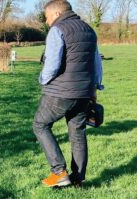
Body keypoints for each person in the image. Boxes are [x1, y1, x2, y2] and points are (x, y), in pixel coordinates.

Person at [33, 0, 104, 187]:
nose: (47, 22)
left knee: (40, 125)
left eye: (47, 17)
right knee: (77, 133)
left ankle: (59, 171)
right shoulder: (89, 30)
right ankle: (78, 180)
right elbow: (97, 63)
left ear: (56, 14)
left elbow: (52, 65)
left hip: (61, 92)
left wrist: (41, 79)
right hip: (85, 92)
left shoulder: (58, 30)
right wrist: (95, 88)